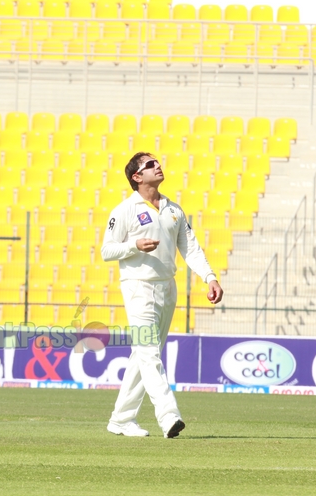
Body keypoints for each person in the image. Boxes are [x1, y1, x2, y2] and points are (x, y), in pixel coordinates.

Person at [101, 152, 223, 438]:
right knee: (149, 352)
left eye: (157, 162)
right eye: (150, 164)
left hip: (168, 287)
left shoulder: (173, 209)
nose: (158, 166)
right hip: (138, 286)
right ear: (137, 176)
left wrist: (210, 277)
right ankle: (168, 416)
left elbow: (190, 248)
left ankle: (121, 419)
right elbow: (107, 250)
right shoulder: (124, 210)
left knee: (142, 355)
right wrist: (134, 245)